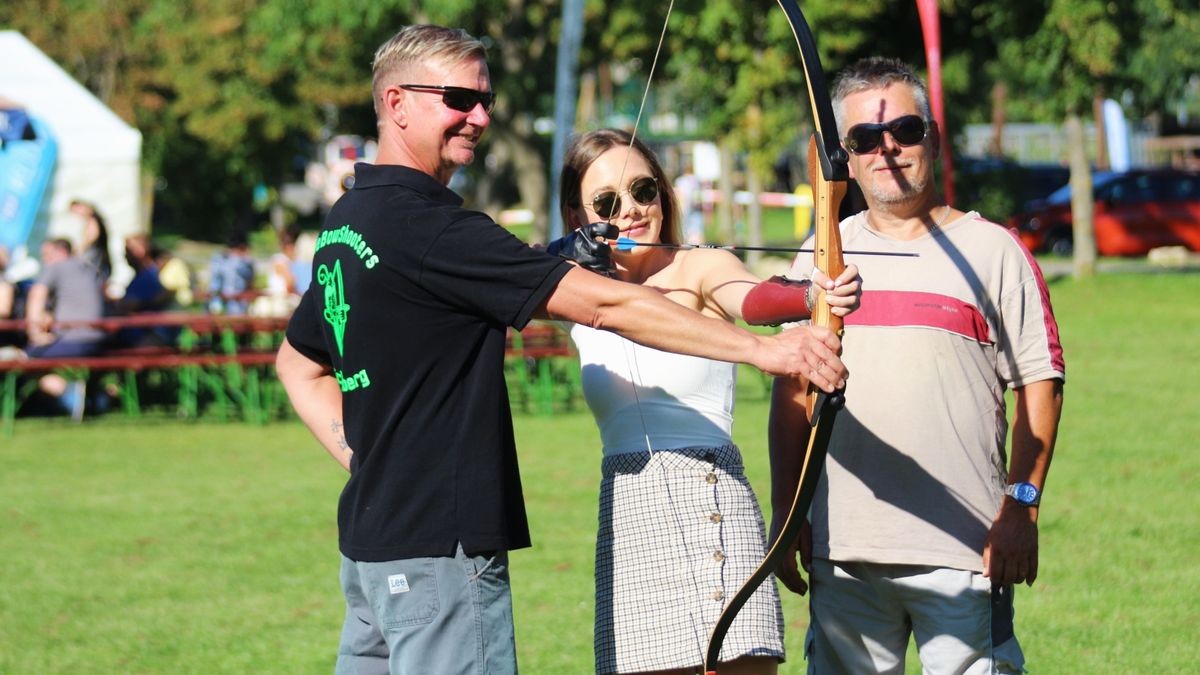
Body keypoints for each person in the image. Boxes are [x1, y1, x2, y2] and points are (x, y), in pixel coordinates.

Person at [274, 24, 847, 675]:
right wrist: (766, 352)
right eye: (460, 98)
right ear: (397, 101)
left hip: (376, 551)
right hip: (443, 552)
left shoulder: (350, 222)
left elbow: (298, 363)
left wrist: (366, 459)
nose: (480, 116)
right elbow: (605, 303)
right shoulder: (433, 226)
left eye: (486, 99)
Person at [768, 57, 1065, 674]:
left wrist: (1022, 506)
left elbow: (1040, 383)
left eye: (905, 131)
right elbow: (792, 395)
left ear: (932, 136)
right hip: (844, 552)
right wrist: (787, 514)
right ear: (842, 159)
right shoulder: (819, 255)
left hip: (965, 549)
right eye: (865, 139)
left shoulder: (993, 250)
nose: (888, 150)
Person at [554, 128, 861, 675]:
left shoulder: (699, 265)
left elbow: (754, 298)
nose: (632, 211)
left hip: (711, 502)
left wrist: (810, 293)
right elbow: (485, 282)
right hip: (629, 518)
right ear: (579, 218)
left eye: (644, 190)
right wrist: (555, 257)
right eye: (607, 202)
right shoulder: (570, 286)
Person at [24, 238, 106, 418]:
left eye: (46, 255)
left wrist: (34, 332)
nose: (44, 260)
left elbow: (36, 295)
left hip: (74, 339)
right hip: (100, 340)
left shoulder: (57, 267)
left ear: (60, 252)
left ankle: (69, 395)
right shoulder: (88, 268)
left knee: (24, 361)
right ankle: (98, 397)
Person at [207, 231, 255, 314]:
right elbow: (250, 282)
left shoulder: (218, 259)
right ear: (242, 246)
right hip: (237, 303)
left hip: (217, 301)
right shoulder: (243, 263)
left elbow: (214, 283)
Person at [68, 199, 113, 285]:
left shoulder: (92, 219)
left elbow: (93, 236)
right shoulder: (92, 220)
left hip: (95, 256)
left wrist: (80, 249)